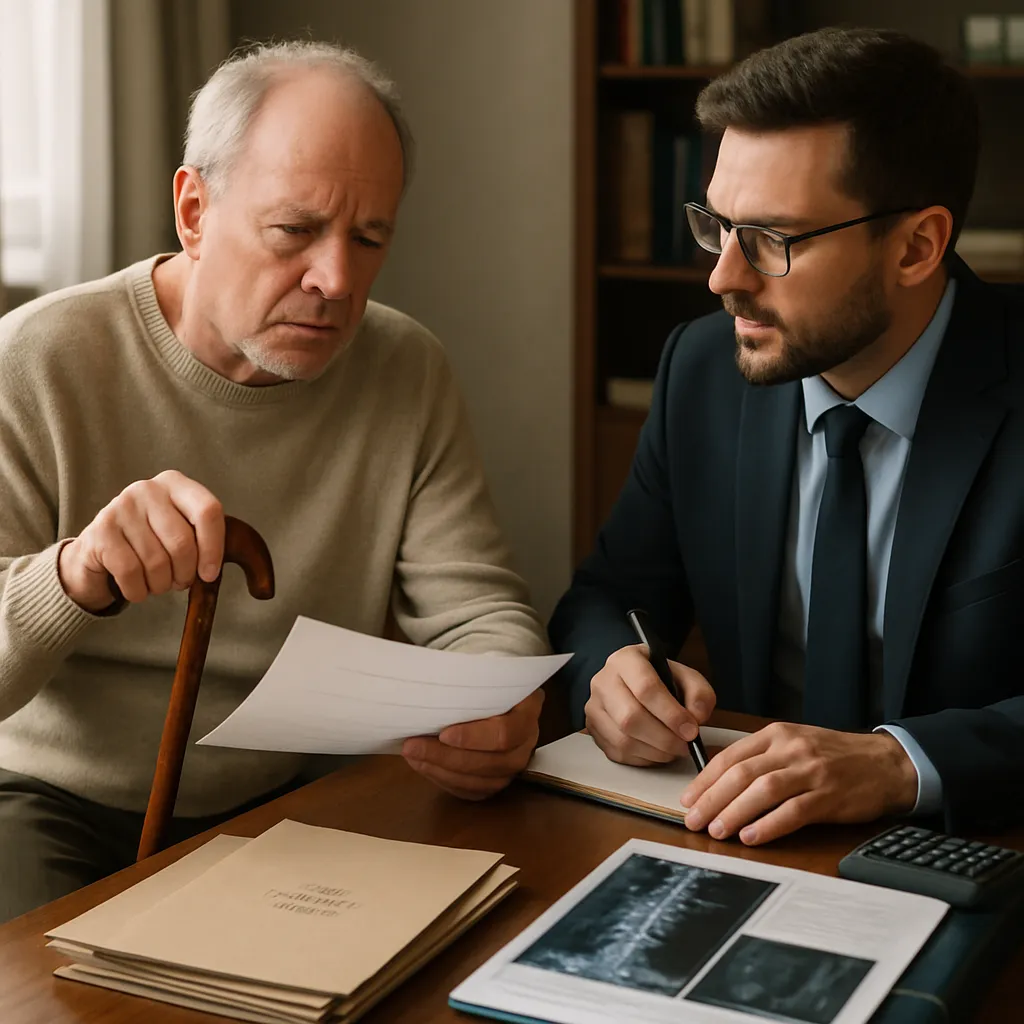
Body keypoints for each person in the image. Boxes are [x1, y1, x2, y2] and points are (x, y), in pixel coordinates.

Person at [0, 41, 549, 923]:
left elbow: (477, 608)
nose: (335, 280)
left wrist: (499, 702)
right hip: (46, 799)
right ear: (193, 210)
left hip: (288, 791)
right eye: (295, 231)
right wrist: (72, 577)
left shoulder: (405, 367)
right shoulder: (35, 360)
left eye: (369, 239)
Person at [550, 26, 1024, 846]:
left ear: (917, 246)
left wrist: (900, 764)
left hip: (981, 857)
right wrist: (611, 676)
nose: (722, 278)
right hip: (733, 839)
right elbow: (607, 596)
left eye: (772, 241)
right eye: (717, 225)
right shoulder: (701, 368)